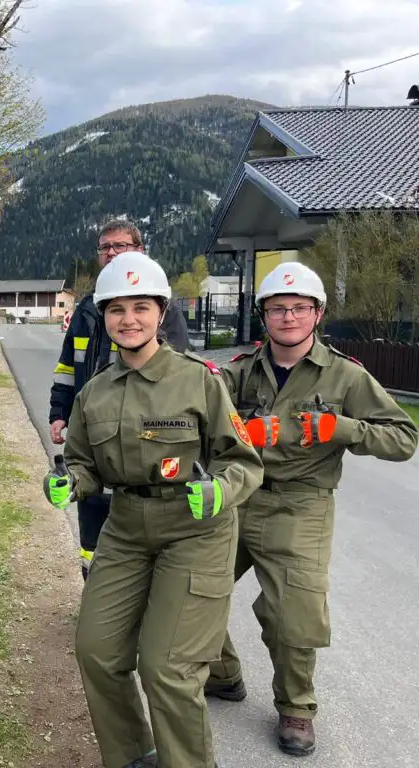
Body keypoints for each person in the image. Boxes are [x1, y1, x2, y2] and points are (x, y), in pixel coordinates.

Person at [44, 251, 263, 768]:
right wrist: (68, 482)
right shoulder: (94, 393)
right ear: (104, 316)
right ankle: (132, 755)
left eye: (141, 306)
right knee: (96, 652)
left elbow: (244, 463)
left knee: (167, 668)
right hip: (124, 530)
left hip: (195, 532)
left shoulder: (199, 380)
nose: (129, 319)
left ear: (161, 313)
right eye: (117, 309)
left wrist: (220, 492)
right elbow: (83, 464)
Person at [204, 262, 418, 756]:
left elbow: (404, 438)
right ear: (264, 315)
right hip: (239, 496)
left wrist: (339, 429)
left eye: (299, 307)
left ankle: (296, 708)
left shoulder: (345, 374)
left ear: (318, 313)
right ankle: (223, 673)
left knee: (292, 616)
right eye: (278, 308)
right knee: (195, 587)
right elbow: (202, 413)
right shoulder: (240, 370)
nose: (288, 317)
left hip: (302, 506)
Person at [50, 220, 190, 578]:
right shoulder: (85, 310)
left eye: (120, 246)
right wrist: (59, 411)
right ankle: (96, 594)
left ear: (140, 251)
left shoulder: (162, 308)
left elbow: (178, 377)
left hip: (146, 437)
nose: (111, 252)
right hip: (94, 430)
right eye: (105, 247)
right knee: (91, 517)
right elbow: (68, 367)